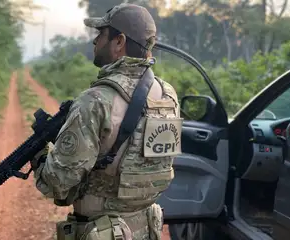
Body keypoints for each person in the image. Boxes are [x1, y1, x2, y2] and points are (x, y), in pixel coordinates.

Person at [31, 3, 182, 240]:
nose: (95, 41)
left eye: (101, 34)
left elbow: (57, 183)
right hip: (147, 229)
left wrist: (40, 155)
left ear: (119, 41)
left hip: (102, 231)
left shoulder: (95, 101)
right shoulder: (167, 95)